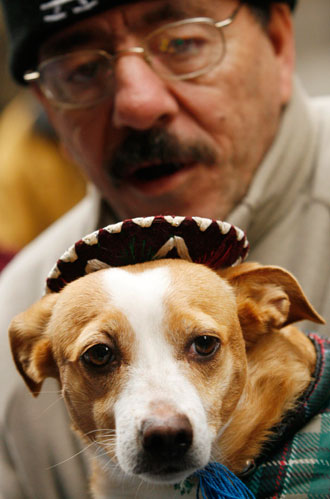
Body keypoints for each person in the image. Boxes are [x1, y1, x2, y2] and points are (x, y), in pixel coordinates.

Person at [0, 0, 329, 497]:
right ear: (48, 106)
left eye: (182, 43)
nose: (138, 103)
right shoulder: (15, 311)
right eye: (83, 70)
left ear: (281, 43)